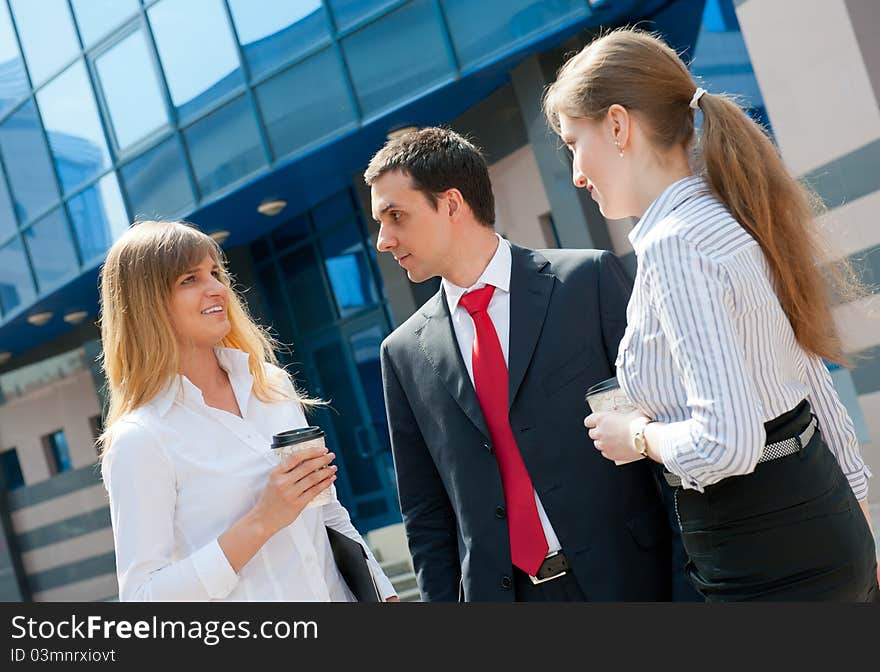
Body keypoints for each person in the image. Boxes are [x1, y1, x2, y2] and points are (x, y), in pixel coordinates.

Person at [544, 28, 879, 601]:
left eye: (574, 142)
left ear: (618, 126)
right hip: (823, 523)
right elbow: (809, 385)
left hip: (757, 548)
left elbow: (728, 444)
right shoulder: (730, 214)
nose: (577, 173)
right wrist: (860, 517)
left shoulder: (674, 245)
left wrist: (637, 435)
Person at [368, 127, 685, 602]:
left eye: (396, 216)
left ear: (452, 204)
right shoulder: (402, 354)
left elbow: (666, 431)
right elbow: (426, 515)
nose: (383, 240)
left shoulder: (587, 282)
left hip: (634, 581)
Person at [98, 220, 397, 602]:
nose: (218, 289)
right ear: (146, 305)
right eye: (190, 279)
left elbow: (328, 512)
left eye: (215, 272)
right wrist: (261, 521)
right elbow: (143, 597)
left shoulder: (270, 386)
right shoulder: (142, 437)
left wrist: (386, 596)